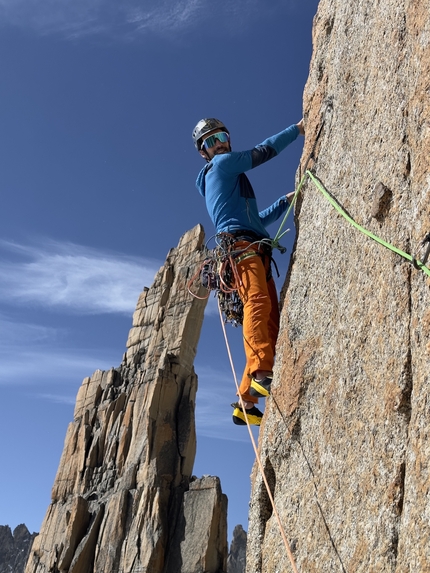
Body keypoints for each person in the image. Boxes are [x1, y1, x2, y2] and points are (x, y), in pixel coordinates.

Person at [193, 117, 305, 425]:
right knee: (258, 302)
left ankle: (245, 404)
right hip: (241, 250)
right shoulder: (222, 165)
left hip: (251, 246)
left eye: (221, 136)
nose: (218, 144)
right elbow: (263, 151)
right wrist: (297, 129)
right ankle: (260, 372)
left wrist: (285, 202)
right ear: (204, 151)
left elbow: (255, 220)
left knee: (270, 322)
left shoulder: (229, 184)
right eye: (210, 142)